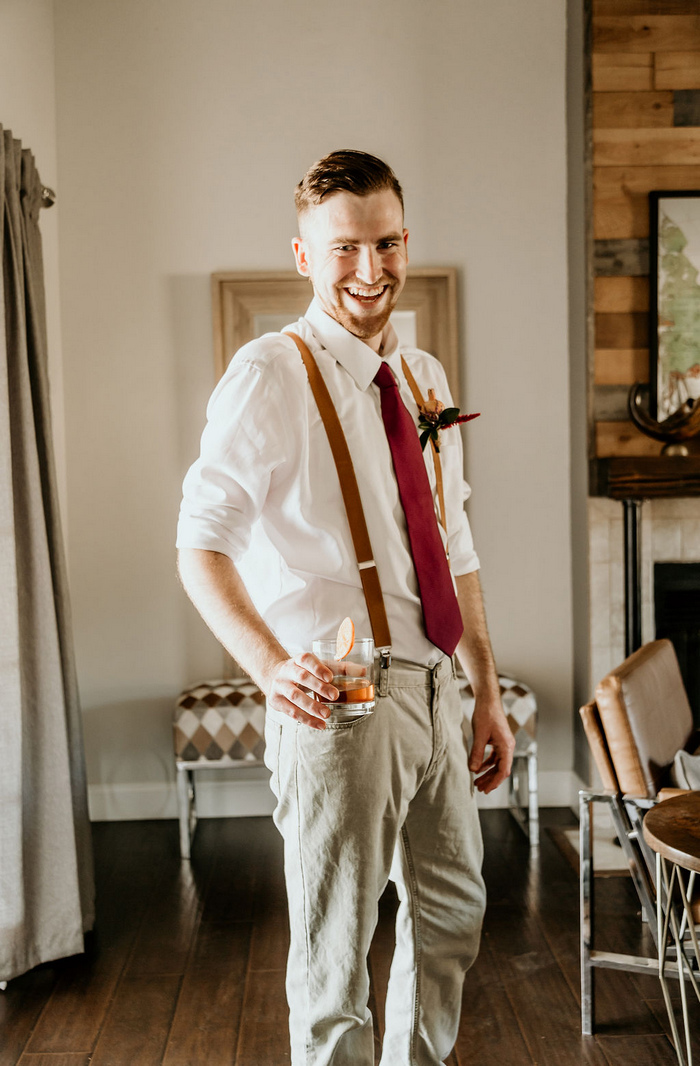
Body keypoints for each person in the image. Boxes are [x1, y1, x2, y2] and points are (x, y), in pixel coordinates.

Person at [176, 149, 514, 1066]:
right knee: (335, 960)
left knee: (450, 917)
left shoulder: (423, 376)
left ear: (408, 241)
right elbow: (198, 545)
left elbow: (458, 550)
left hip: (439, 691)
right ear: (302, 254)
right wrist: (270, 666)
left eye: (389, 242)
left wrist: (481, 691)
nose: (372, 269)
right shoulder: (268, 374)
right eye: (346, 248)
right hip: (346, 701)